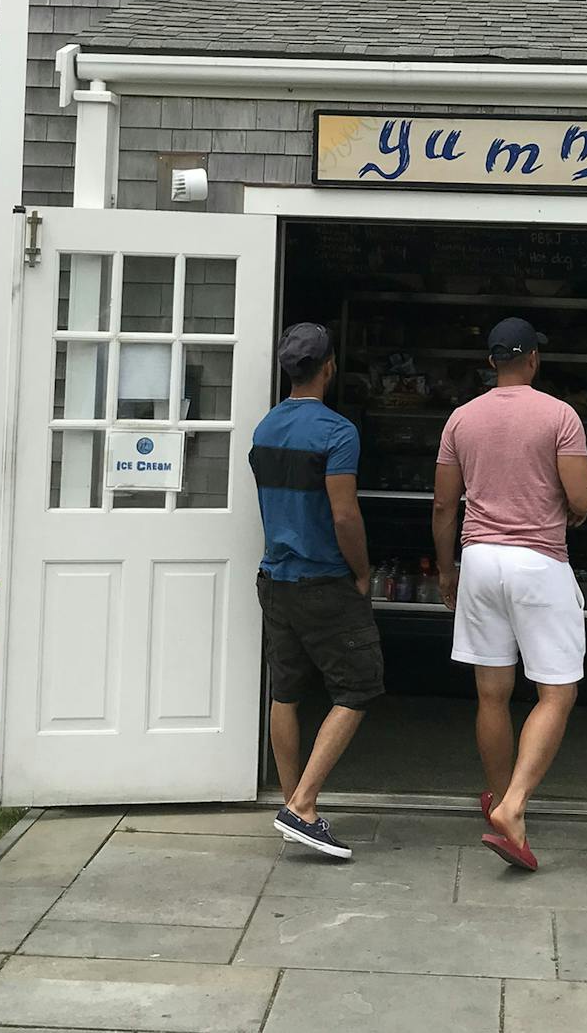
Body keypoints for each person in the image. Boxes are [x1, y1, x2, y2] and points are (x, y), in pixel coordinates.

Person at [431, 317, 587, 871]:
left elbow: (443, 505)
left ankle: (501, 799)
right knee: (557, 692)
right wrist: (576, 505)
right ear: (533, 361)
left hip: (478, 560)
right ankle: (515, 807)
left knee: (491, 694)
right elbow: (582, 495)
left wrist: (447, 568)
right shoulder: (560, 415)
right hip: (538, 563)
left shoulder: (461, 418)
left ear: (492, 363)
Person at [250, 322, 382, 859]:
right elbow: (344, 513)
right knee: (359, 684)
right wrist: (363, 571)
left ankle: (291, 806)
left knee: (286, 691)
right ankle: (302, 807)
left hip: (274, 578)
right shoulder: (337, 431)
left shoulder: (264, 427)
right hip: (323, 578)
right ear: (328, 367)